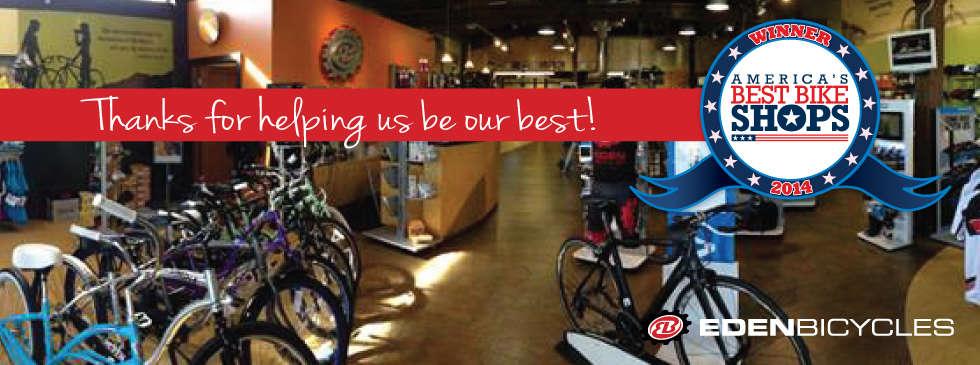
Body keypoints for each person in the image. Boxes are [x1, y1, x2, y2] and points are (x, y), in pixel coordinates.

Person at [16, 20, 43, 88]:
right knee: (33, 74)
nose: (39, 28)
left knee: (32, 74)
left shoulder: (29, 34)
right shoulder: (30, 35)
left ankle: (28, 86)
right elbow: (36, 47)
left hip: (29, 57)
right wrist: (40, 57)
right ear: (34, 26)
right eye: (38, 26)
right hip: (30, 57)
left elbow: (23, 45)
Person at [74, 23, 92, 88]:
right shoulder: (85, 36)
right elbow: (78, 44)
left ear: (85, 28)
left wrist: (75, 58)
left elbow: (82, 50)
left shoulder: (87, 36)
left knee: (84, 73)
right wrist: (76, 35)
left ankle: (85, 85)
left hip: (86, 58)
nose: (81, 29)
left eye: (82, 27)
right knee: (85, 72)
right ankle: (86, 84)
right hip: (85, 57)